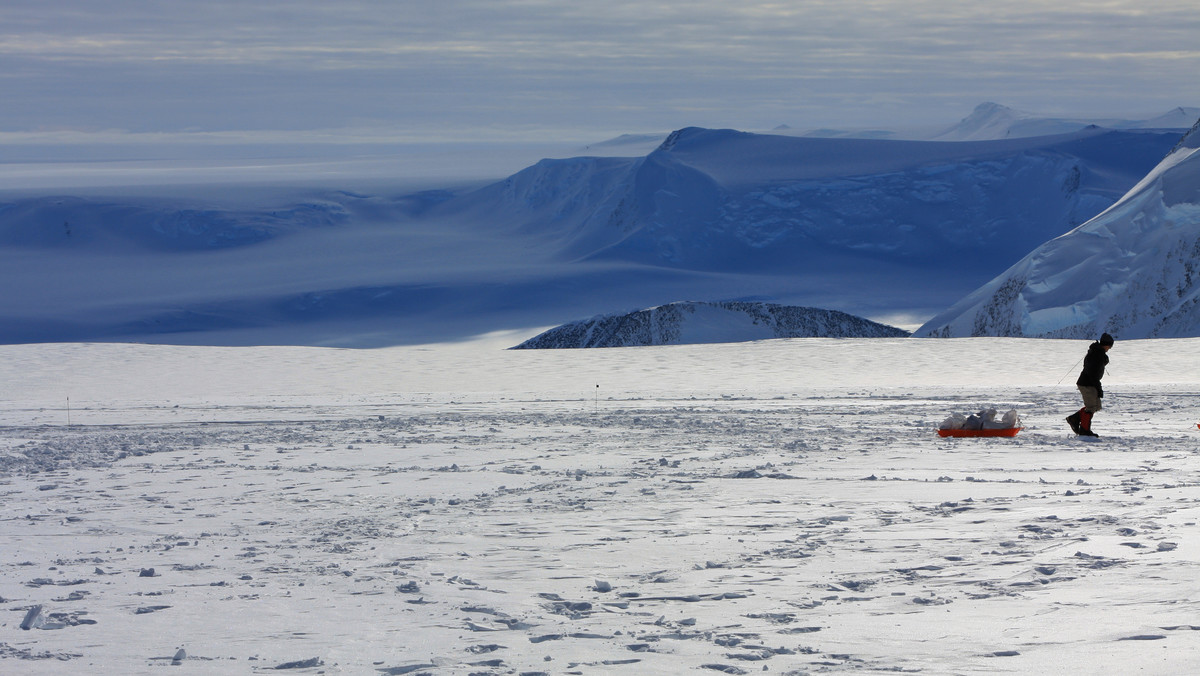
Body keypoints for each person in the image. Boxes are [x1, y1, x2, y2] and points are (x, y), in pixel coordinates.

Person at [1066, 333, 1114, 437]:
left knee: (1096, 406)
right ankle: (1084, 430)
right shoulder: (1097, 354)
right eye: (1109, 346)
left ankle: (1075, 419)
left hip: (1088, 383)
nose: (1109, 348)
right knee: (1091, 407)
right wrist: (1098, 387)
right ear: (1106, 344)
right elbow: (1092, 373)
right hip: (1087, 384)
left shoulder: (1097, 352)